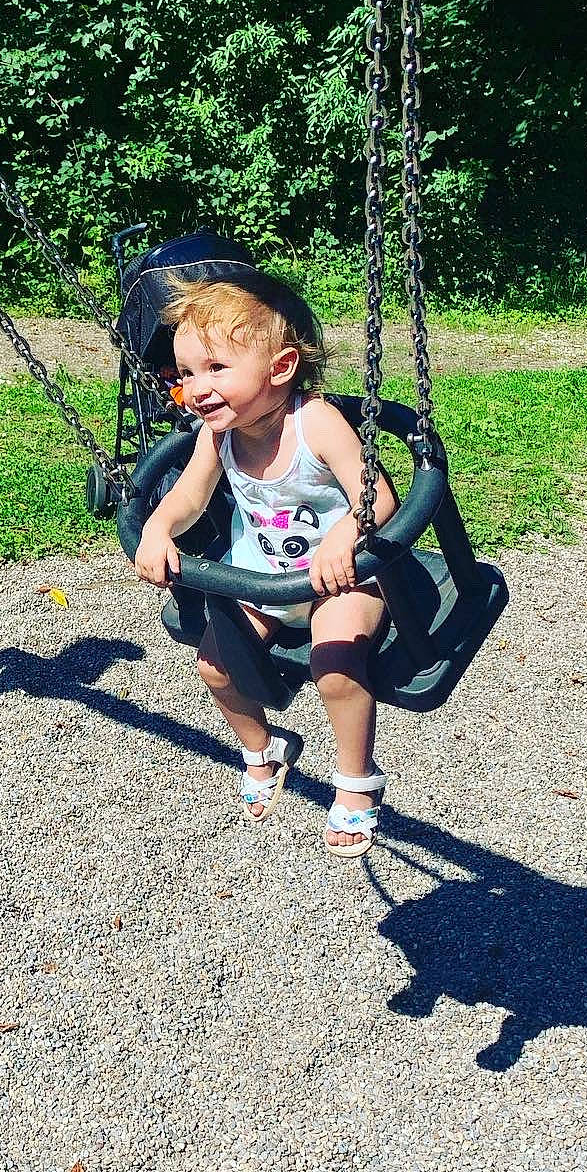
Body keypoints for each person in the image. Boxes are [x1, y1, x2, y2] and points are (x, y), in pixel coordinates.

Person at [132, 274, 398, 857]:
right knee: (213, 667)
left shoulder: (316, 422)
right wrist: (158, 526)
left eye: (215, 369)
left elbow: (376, 496)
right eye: (186, 374)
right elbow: (190, 498)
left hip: (338, 577)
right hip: (265, 576)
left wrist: (347, 535)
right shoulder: (216, 434)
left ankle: (357, 779)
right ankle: (264, 747)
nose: (195, 388)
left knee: (336, 662)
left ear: (279, 369)